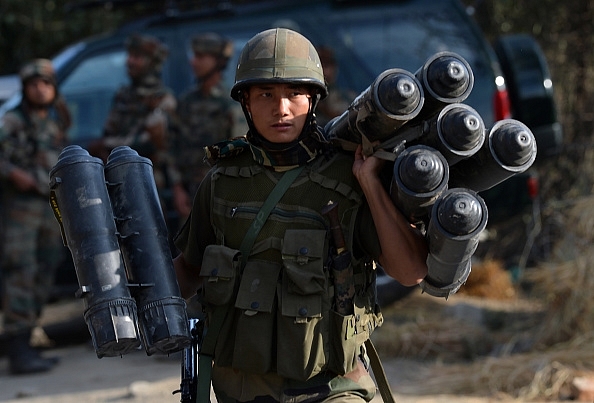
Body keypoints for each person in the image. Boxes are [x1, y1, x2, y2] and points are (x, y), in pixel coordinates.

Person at [173, 28, 428, 402]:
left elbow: (409, 271)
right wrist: (129, 278)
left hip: (332, 388)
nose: (282, 109)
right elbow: (188, 272)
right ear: (245, 101)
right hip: (243, 391)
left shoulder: (347, 178)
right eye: (266, 95)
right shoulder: (222, 181)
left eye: (295, 93)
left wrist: (370, 183)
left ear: (313, 98)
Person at [0, 59, 70, 374]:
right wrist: (15, 174)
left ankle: (29, 336)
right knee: (21, 273)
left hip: (48, 208)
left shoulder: (53, 123)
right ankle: (18, 348)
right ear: (26, 89)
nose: (40, 90)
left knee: (45, 269)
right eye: (34, 85)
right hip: (20, 209)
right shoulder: (13, 122)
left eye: (46, 84)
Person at [89, 33, 183, 233]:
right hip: (114, 180)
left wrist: (109, 145)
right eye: (130, 55)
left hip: (147, 183)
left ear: (152, 62)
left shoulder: (164, 99)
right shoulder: (123, 96)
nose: (130, 61)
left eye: (137, 57)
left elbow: (150, 142)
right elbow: (108, 132)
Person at [173, 32, 237, 221]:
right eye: (194, 56)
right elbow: (172, 147)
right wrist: (177, 188)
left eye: (200, 57)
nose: (194, 62)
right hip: (188, 195)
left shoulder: (230, 102)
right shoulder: (186, 102)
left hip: (220, 195)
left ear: (217, 61)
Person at [315, 45, 357, 128]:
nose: (324, 70)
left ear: (335, 68)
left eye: (327, 65)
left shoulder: (349, 98)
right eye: (320, 64)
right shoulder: (303, 99)